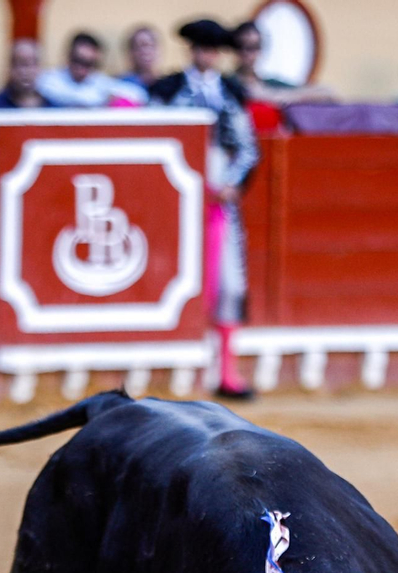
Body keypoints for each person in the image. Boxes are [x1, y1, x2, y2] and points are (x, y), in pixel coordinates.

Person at [151, 19, 258, 400]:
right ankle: (174, 373)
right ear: (190, 50)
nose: (205, 55)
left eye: (212, 49)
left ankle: (226, 373)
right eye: (199, 47)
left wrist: (231, 183)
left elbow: (247, 148)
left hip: (220, 203)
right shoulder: (167, 90)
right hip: (177, 203)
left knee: (228, 282)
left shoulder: (231, 91)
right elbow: (154, 139)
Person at [231, 20, 332, 104]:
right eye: (241, 46)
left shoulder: (269, 83)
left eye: (254, 47)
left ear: (261, 50)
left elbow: (328, 92)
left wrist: (273, 96)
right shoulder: (227, 84)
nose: (247, 53)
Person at [36, 31, 145, 107]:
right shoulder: (51, 79)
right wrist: (100, 99)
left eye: (89, 64)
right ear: (68, 56)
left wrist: (112, 97)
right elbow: (52, 90)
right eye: (77, 60)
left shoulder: (98, 81)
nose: (81, 68)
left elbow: (138, 95)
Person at [0, 37, 55, 110]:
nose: (26, 71)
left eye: (33, 64)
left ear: (42, 68)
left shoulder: (54, 111)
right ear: (8, 68)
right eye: (19, 64)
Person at [121, 25, 160, 91]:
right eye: (139, 46)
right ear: (131, 52)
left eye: (150, 45)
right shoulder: (122, 85)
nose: (145, 51)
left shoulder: (170, 83)